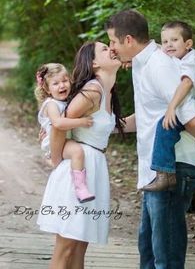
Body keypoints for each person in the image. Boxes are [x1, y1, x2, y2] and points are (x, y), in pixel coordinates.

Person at [105, 9, 195, 269]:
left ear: (128, 40)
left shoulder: (159, 65)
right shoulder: (143, 64)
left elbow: (191, 118)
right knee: (149, 250)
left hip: (173, 168)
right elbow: (149, 117)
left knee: (166, 256)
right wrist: (92, 130)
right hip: (155, 171)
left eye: (113, 42)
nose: (111, 48)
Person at [37, 41, 123, 269]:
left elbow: (108, 126)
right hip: (76, 170)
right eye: (105, 49)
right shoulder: (93, 90)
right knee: (66, 247)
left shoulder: (105, 91)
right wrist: (56, 160)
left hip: (93, 167)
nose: (111, 50)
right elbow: (59, 125)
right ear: (94, 63)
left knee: (79, 248)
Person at [142, 21, 195, 191]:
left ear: (188, 44)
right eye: (165, 41)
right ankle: (194, 191)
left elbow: (186, 83)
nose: (168, 45)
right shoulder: (175, 56)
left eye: (174, 40)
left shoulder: (193, 58)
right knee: (185, 146)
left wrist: (171, 107)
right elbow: (154, 48)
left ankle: (164, 175)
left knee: (166, 125)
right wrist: (130, 59)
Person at [34, 63, 95, 203]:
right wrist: (82, 122)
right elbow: (58, 124)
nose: (62, 86)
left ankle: (54, 164)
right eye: (55, 83)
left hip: (63, 138)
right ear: (47, 89)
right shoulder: (51, 104)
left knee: (75, 153)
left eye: (65, 81)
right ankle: (80, 188)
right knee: (77, 152)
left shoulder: (66, 101)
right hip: (54, 142)